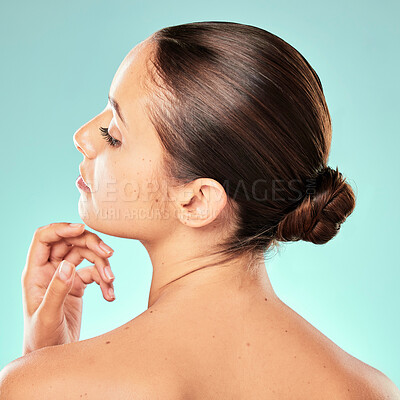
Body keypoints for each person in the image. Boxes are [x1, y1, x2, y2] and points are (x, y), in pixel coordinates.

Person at [1, 21, 399, 399]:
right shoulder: (371, 391)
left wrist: (39, 368)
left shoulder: (44, 387)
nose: (83, 137)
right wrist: (45, 359)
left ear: (197, 200)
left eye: (115, 134)